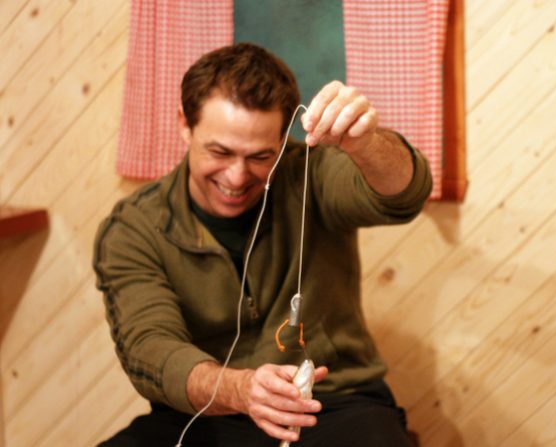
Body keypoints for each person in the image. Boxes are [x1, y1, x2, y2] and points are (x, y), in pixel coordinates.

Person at [93, 42, 432, 446]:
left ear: (283, 137)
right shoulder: (134, 228)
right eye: (219, 152)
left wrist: (366, 143)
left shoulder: (312, 172)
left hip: (335, 404)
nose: (237, 178)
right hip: (205, 414)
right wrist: (242, 389)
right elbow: (149, 349)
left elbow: (403, 197)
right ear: (185, 125)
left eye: (259, 157)